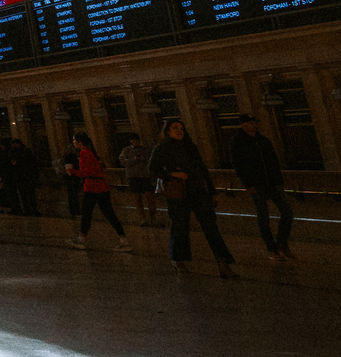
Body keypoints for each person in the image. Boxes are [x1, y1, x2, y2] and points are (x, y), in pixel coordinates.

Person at [149, 119, 238, 277]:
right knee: (180, 227)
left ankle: (222, 262)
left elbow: (203, 169)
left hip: (198, 190)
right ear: (167, 131)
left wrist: (212, 191)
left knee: (211, 227)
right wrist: (172, 174)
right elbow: (152, 169)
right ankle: (178, 260)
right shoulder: (161, 148)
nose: (179, 131)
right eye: (175, 128)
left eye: (181, 128)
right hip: (178, 193)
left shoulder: (190, 147)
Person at [228, 114, 298, 263]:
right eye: (250, 123)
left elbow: (273, 160)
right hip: (257, 184)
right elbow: (238, 165)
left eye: (254, 123)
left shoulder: (263, 141)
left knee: (287, 212)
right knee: (263, 216)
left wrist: (279, 180)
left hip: (273, 182)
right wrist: (248, 184)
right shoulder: (238, 143)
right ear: (243, 125)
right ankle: (271, 248)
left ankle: (282, 242)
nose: (254, 126)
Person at [65, 131, 130, 251]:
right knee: (109, 214)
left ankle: (81, 239)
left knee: (86, 214)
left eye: (74, 141)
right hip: (102, 187)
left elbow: (89, 171)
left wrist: (73, 172)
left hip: (92, 187)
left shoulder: (84, 153)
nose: (73, 143)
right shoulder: (91, 152)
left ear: (79, 142)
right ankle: (124, 240)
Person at [117, 132, 156, 225]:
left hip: (145, 175)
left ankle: (152, 218)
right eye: (133, 141)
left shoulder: (145, 149)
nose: (135, 142)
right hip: (133, 176)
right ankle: (142, 218)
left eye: (136, 141)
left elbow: (151, 160)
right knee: (137, 198)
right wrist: (133, 160)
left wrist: (143, 159)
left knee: (150, 197)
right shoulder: (126, 150)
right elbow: (123, 161)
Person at [6, 138, 41, 216]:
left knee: (26, 194)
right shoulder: (23, 151)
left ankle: (29, 209)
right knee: (27, 194)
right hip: (24, 175)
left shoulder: (19, 152)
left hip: (23, 175)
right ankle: (31, 209)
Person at [60, 140, 83, 219]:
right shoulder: (71, 156)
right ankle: (75, 211)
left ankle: (73, 211)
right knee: (74, 195)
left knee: (72, 195)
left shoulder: (66, 156)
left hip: (70, 178)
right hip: (73, 178)